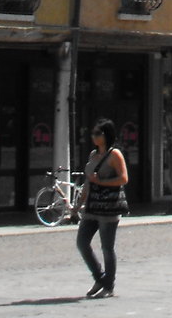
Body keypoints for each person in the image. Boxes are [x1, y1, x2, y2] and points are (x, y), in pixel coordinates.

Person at [75, 119, 129, 300]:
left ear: (106, 135)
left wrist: (102, 182)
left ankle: (109, 285)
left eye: (97, 134)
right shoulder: (92, 155)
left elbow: (123, 178)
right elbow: (88, 183)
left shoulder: (115, 155)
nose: (93, 137)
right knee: (82, 242)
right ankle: (99, 277)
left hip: (109, 207)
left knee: (107, 247)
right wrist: (78, 204)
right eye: (92, 133)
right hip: (92, 206)